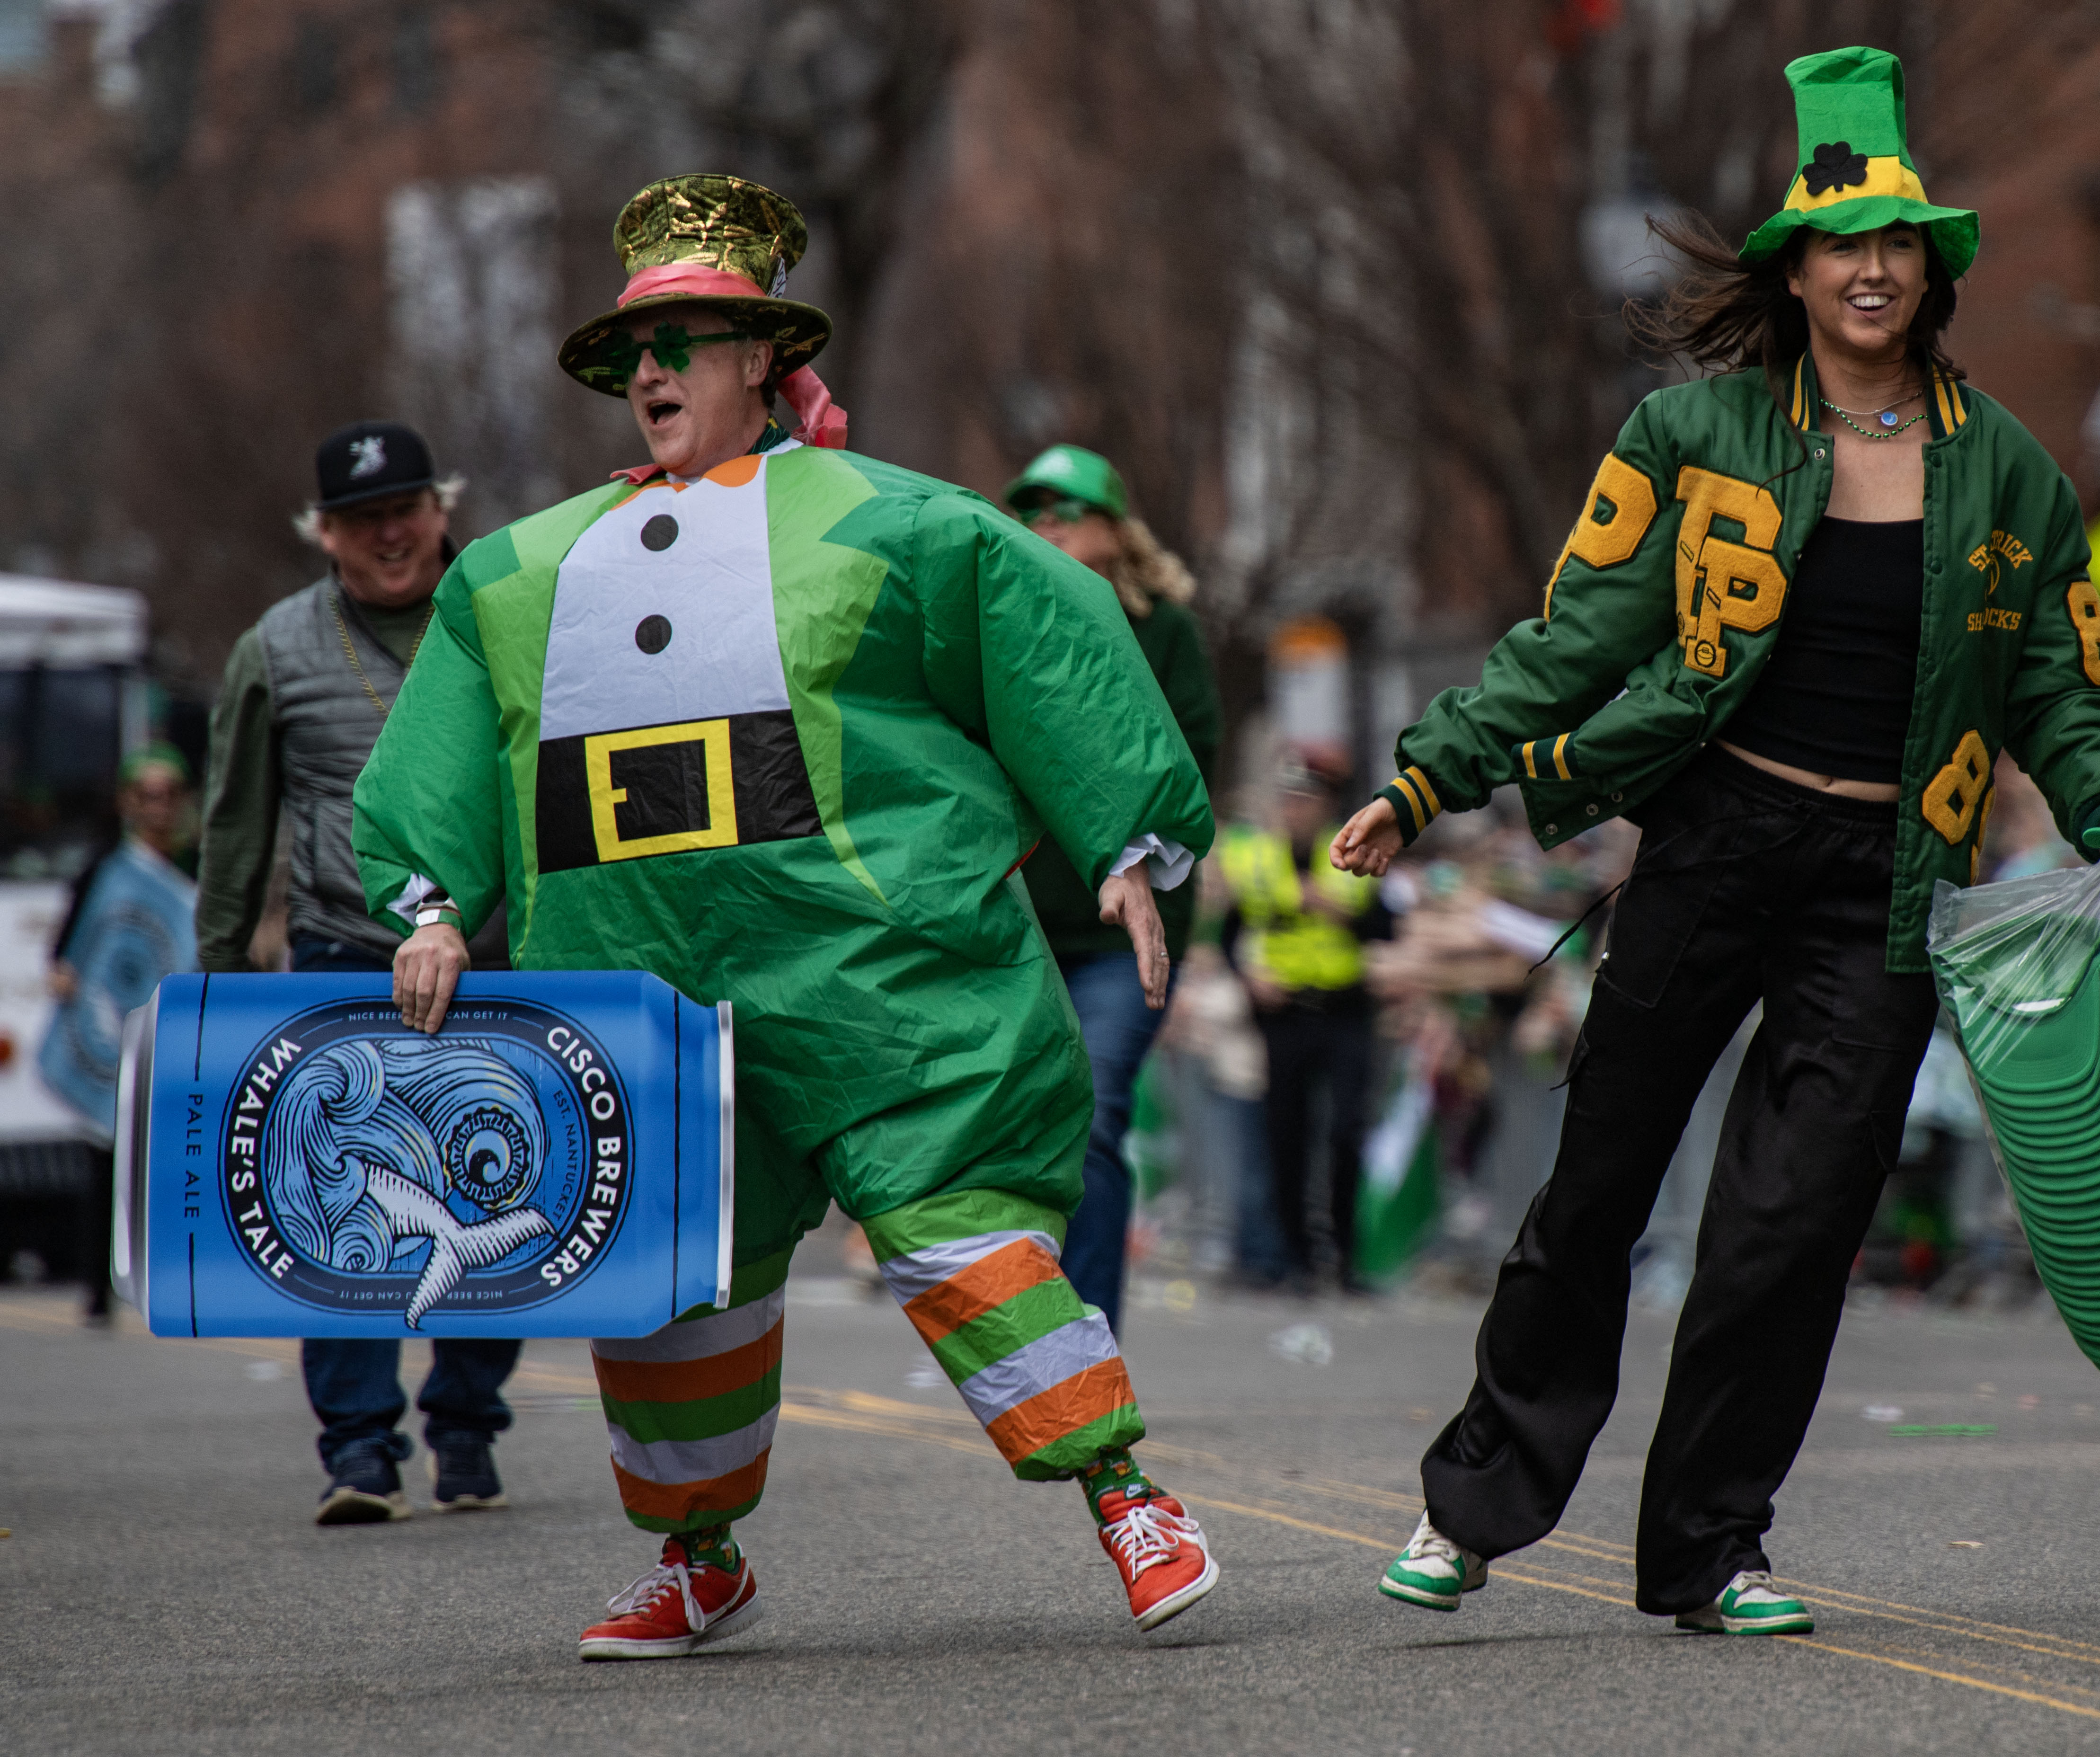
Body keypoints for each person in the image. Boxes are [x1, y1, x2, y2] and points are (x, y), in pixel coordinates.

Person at [1331, 47, 2100, 1634]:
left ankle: (1710, 1547)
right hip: (1713, 839)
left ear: (1932, 270)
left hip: (1887, 881)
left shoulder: (2005, 472)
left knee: (1789, 1228)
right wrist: (1429, 775)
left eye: (1896, 245)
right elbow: (1568, 641)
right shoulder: (1688, 435)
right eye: (1840, 245)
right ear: (1790, 271)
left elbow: (2064, 686)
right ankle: (1475, 1507)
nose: (1868, 270)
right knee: (1595, 1189)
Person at [349, 175, 1222, 1660]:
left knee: (957, 1231)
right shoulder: (515, 572)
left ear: (762, 358)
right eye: (639, 351)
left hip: (871, 972)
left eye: (688, 342)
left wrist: (1125, 835)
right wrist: (428, 905)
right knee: (672, 1274)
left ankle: (1123, 1491)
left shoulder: (894, 521)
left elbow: (1053, 633)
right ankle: (699, 1556)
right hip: (639, 989)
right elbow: (435, 753)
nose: (654, 374)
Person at [198, 419, 522, 1525]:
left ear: (442, 508)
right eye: (361, 518)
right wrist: (214, 984)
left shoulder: (501, 616)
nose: (390, 532)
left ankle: (469, 1426)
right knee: (333, 1204)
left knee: (501, 1189)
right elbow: (237, 823)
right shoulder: (277, 647)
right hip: (344, 952)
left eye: (407, 508)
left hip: (494, 948)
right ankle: (358, 1450)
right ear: (324, 533)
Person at [1005, 444, 1222, 1336]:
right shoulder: (1005, 620)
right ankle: (1030, 1322)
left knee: (1093, 1114)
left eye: (1065, 508)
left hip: (1120, 939)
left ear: (1112, 529)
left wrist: (1109, 826)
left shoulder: (1164, 631)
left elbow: (1188, 768)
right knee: (1025, 1133)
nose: (1045, 523)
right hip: (1018, 930)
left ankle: (1084, 1348)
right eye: (1030, 509)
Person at [1221, 753, 1391, 1292]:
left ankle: (1344, 1256)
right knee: (1286, 1136)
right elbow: (1228, 934)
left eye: (1306, 800)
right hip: (1284, 1015)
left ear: (1326, 807)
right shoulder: (1256, 858)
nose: (1295, 810)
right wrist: (1249, 978)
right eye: (1288, 800)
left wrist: (1346, 915)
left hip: (1344, 1011)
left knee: (1345, 1132)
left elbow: (1386, 928)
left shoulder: (1353, 854)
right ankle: (1295, 1258)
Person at [43, 745, 197, 1323]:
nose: (158, 808)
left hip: (170, 1033)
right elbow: (72, 948)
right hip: (109, 1041)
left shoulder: (196, 868)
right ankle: (96, 1290)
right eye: (147, 795)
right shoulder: (105, 869)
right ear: (128, 802)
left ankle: (170, 1279)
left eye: (168, 796)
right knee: (103, 1165)